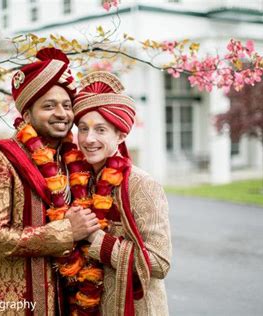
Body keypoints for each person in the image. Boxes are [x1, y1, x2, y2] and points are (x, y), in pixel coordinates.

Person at [0, 48, 101, 315]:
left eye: (67, 105)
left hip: (67, 299)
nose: (62, 113)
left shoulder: (76, 160)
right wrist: (66, 232)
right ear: (26, 115)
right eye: (49, 106)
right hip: (16, 302)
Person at [71, 71, 172, 315]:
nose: (88, 139)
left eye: (101, 130)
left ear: (121, 135)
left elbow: (160, 263)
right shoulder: (77, 183)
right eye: (82, 129)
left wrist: (96, 240)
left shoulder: (142, 184)